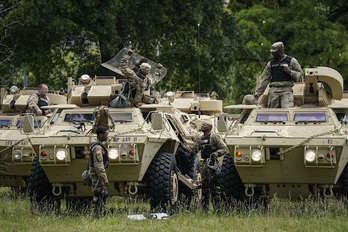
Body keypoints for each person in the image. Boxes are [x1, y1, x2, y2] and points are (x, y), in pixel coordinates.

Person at [254, 41, 303, 108]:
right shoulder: (270, 63)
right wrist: (257, 94)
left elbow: (300, 76)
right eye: (272, 52)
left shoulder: (291, 61)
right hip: (274, 90)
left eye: (275, 52)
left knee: (287, 109)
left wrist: (289, 72)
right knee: (272, 112)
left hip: (286, 89)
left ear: (280, 51)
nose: (273, 54)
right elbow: (264, 79)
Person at [195, 121, 228, 212]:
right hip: (204, 165)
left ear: (209, 128)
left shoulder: (214, 137)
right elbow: (196, 149)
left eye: (204, 126)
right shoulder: (200, 138)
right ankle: (205, 210)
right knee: (204, 187)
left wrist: (216, 154)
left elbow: (224, 148)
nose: (203, 127)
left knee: (214, 188)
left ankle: (217, 209)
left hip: (213, 164)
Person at [88, 126, 109, 217]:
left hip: (96, 174)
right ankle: (97, 214)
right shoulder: (97, 148)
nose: (107, 135)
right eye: (105, 134)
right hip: (97, 174)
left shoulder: (98, 145)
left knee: (99, 194)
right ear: (101, 135)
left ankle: (99, 212)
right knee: (101, 193)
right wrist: (104, 178)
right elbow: (99, 165)